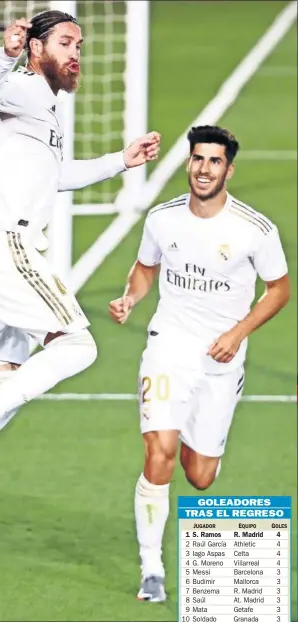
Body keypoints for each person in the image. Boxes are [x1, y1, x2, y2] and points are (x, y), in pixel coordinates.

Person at [0, 11, 160, 571]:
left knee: (5, 377)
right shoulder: (18, 85)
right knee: (78, 346)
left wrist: (122, 160)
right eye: (66, 43)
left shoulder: (44, 106)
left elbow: (57, 177)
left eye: (80, 45)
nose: (76, 54)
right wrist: (6, 52)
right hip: (5, 247)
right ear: (37, 47)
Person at [109, 125, 290, 603]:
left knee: (200, 475)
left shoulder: (255, 229)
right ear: (188, 163)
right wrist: (130, 297)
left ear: (228, 169)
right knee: (158, 451)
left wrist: (237, 333)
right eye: (197, 159)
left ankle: (189, 427)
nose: (203, 169)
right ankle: (152, 569)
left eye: (213, 162)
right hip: (168, 347)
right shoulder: (163, 220)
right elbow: (146, 268)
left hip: (221, 359)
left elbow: (279, 290)